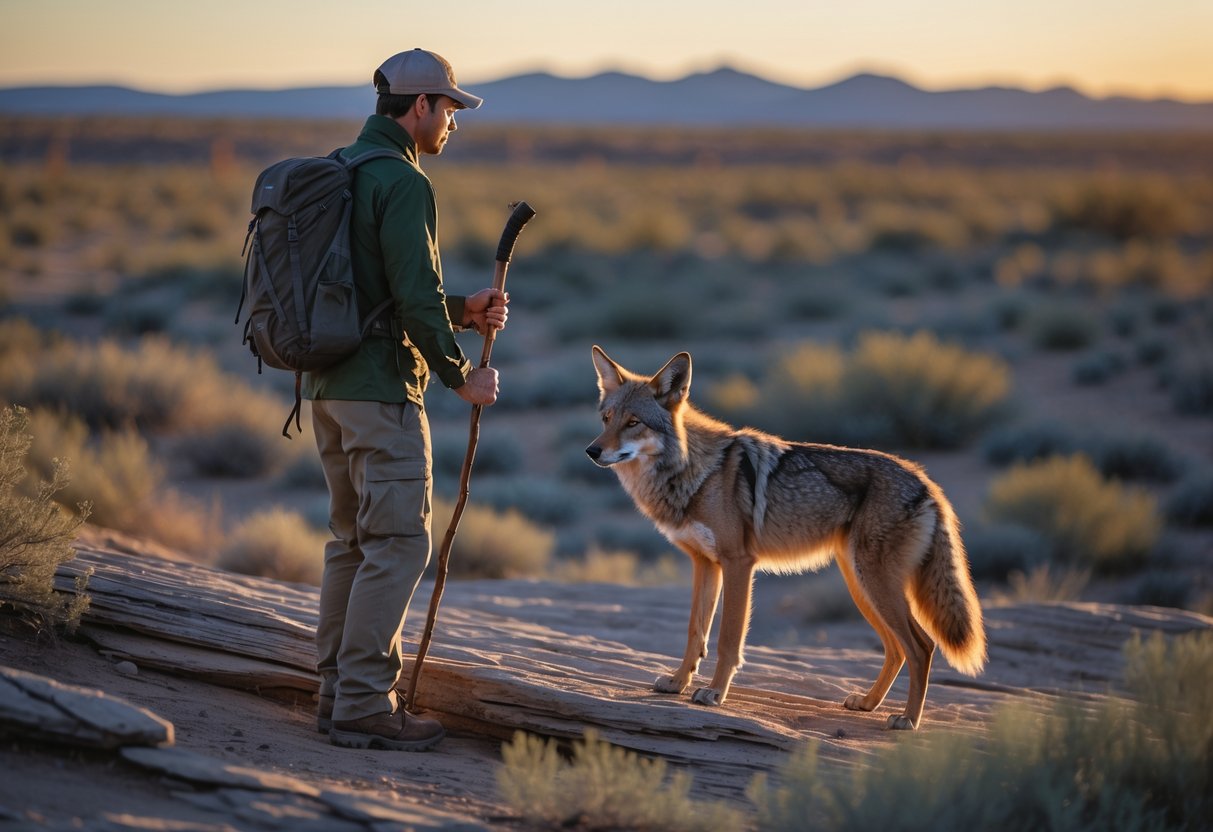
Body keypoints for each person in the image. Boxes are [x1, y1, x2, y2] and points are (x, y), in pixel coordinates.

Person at [304, 48, 507, 751]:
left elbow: (380, 292)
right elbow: (412, 297)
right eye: (448, 108)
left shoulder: (341, 169)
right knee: (397, 545)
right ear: (418, 107)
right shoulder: (403, 181)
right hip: (382, 392)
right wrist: (460, 376)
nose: (452, 121)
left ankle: (334, 693)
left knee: (352, 544)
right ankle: (363, 703)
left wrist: (462, 309)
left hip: (328, 388)